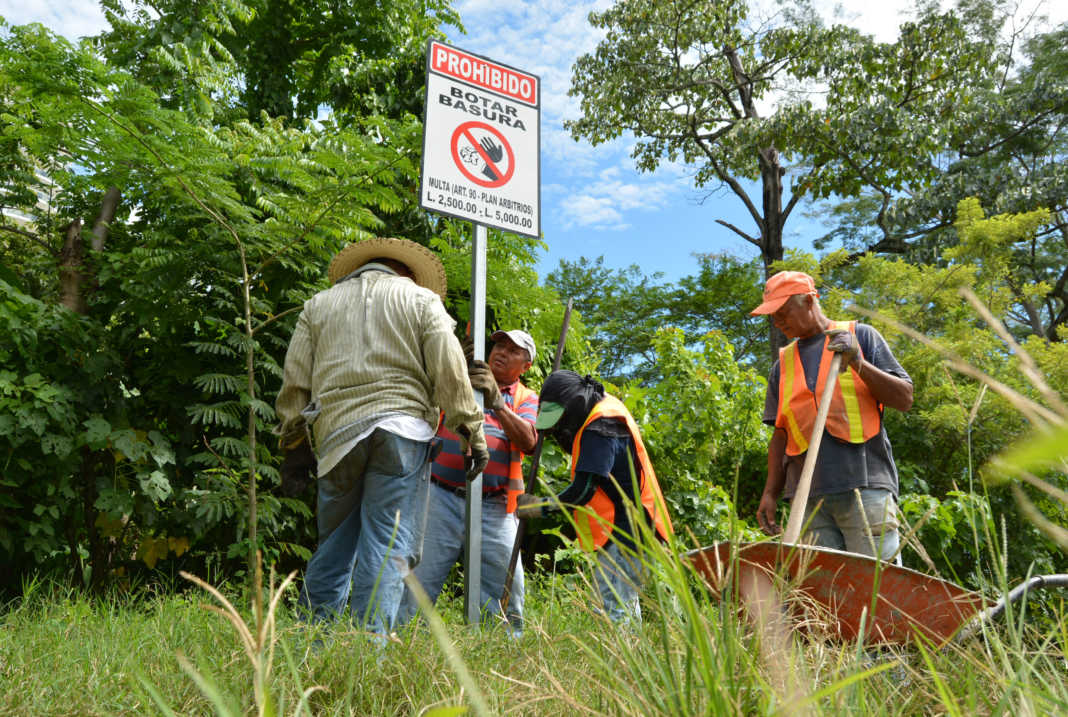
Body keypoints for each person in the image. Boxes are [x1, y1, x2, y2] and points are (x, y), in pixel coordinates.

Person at [275, 237, 488, 637]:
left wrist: (294, 445)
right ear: (406, 271)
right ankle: (366, 649)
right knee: (387, 546)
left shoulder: (317, 306)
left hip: (337, 435)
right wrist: (471, 431)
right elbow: (450, 371)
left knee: (334, 545)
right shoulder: (423, 301)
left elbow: (294, 382)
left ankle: (312, 643)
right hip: (403, 431)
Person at [751, 271, 913, 561]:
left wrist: (858, 362)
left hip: (864, 490)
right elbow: (780, 435)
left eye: (783, 312)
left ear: (810, 301)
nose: (777, 322)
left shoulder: (859, 337)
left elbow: (904, 398)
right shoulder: (782, 366)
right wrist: (770, 493)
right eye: (772, 316)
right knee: (822, 597)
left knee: (879, 590)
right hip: (807, 500)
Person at [398, 330, 539, 632]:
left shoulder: (526, 398)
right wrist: (453, 365)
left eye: (513, 350)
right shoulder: (460, 379)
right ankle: (400, 647)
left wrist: (498, 402)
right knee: (416, 584)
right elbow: (427, 401)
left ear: (526, 366)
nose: (501, 351)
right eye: (499, 344)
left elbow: (529, 441)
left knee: (504, 592)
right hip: (440, 497)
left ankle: (505, 657)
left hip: (495, 508)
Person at [523, 370, 673, 624]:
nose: (560, 428)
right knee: (625, 604)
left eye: (560, 420)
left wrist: (541, 507)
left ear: (575, 405)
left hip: (626, 533)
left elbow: (583, 491)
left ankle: (619, 664)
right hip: (640, 528)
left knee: (613, 609)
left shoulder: (600, 429)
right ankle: (632, 659)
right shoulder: (606, 409)